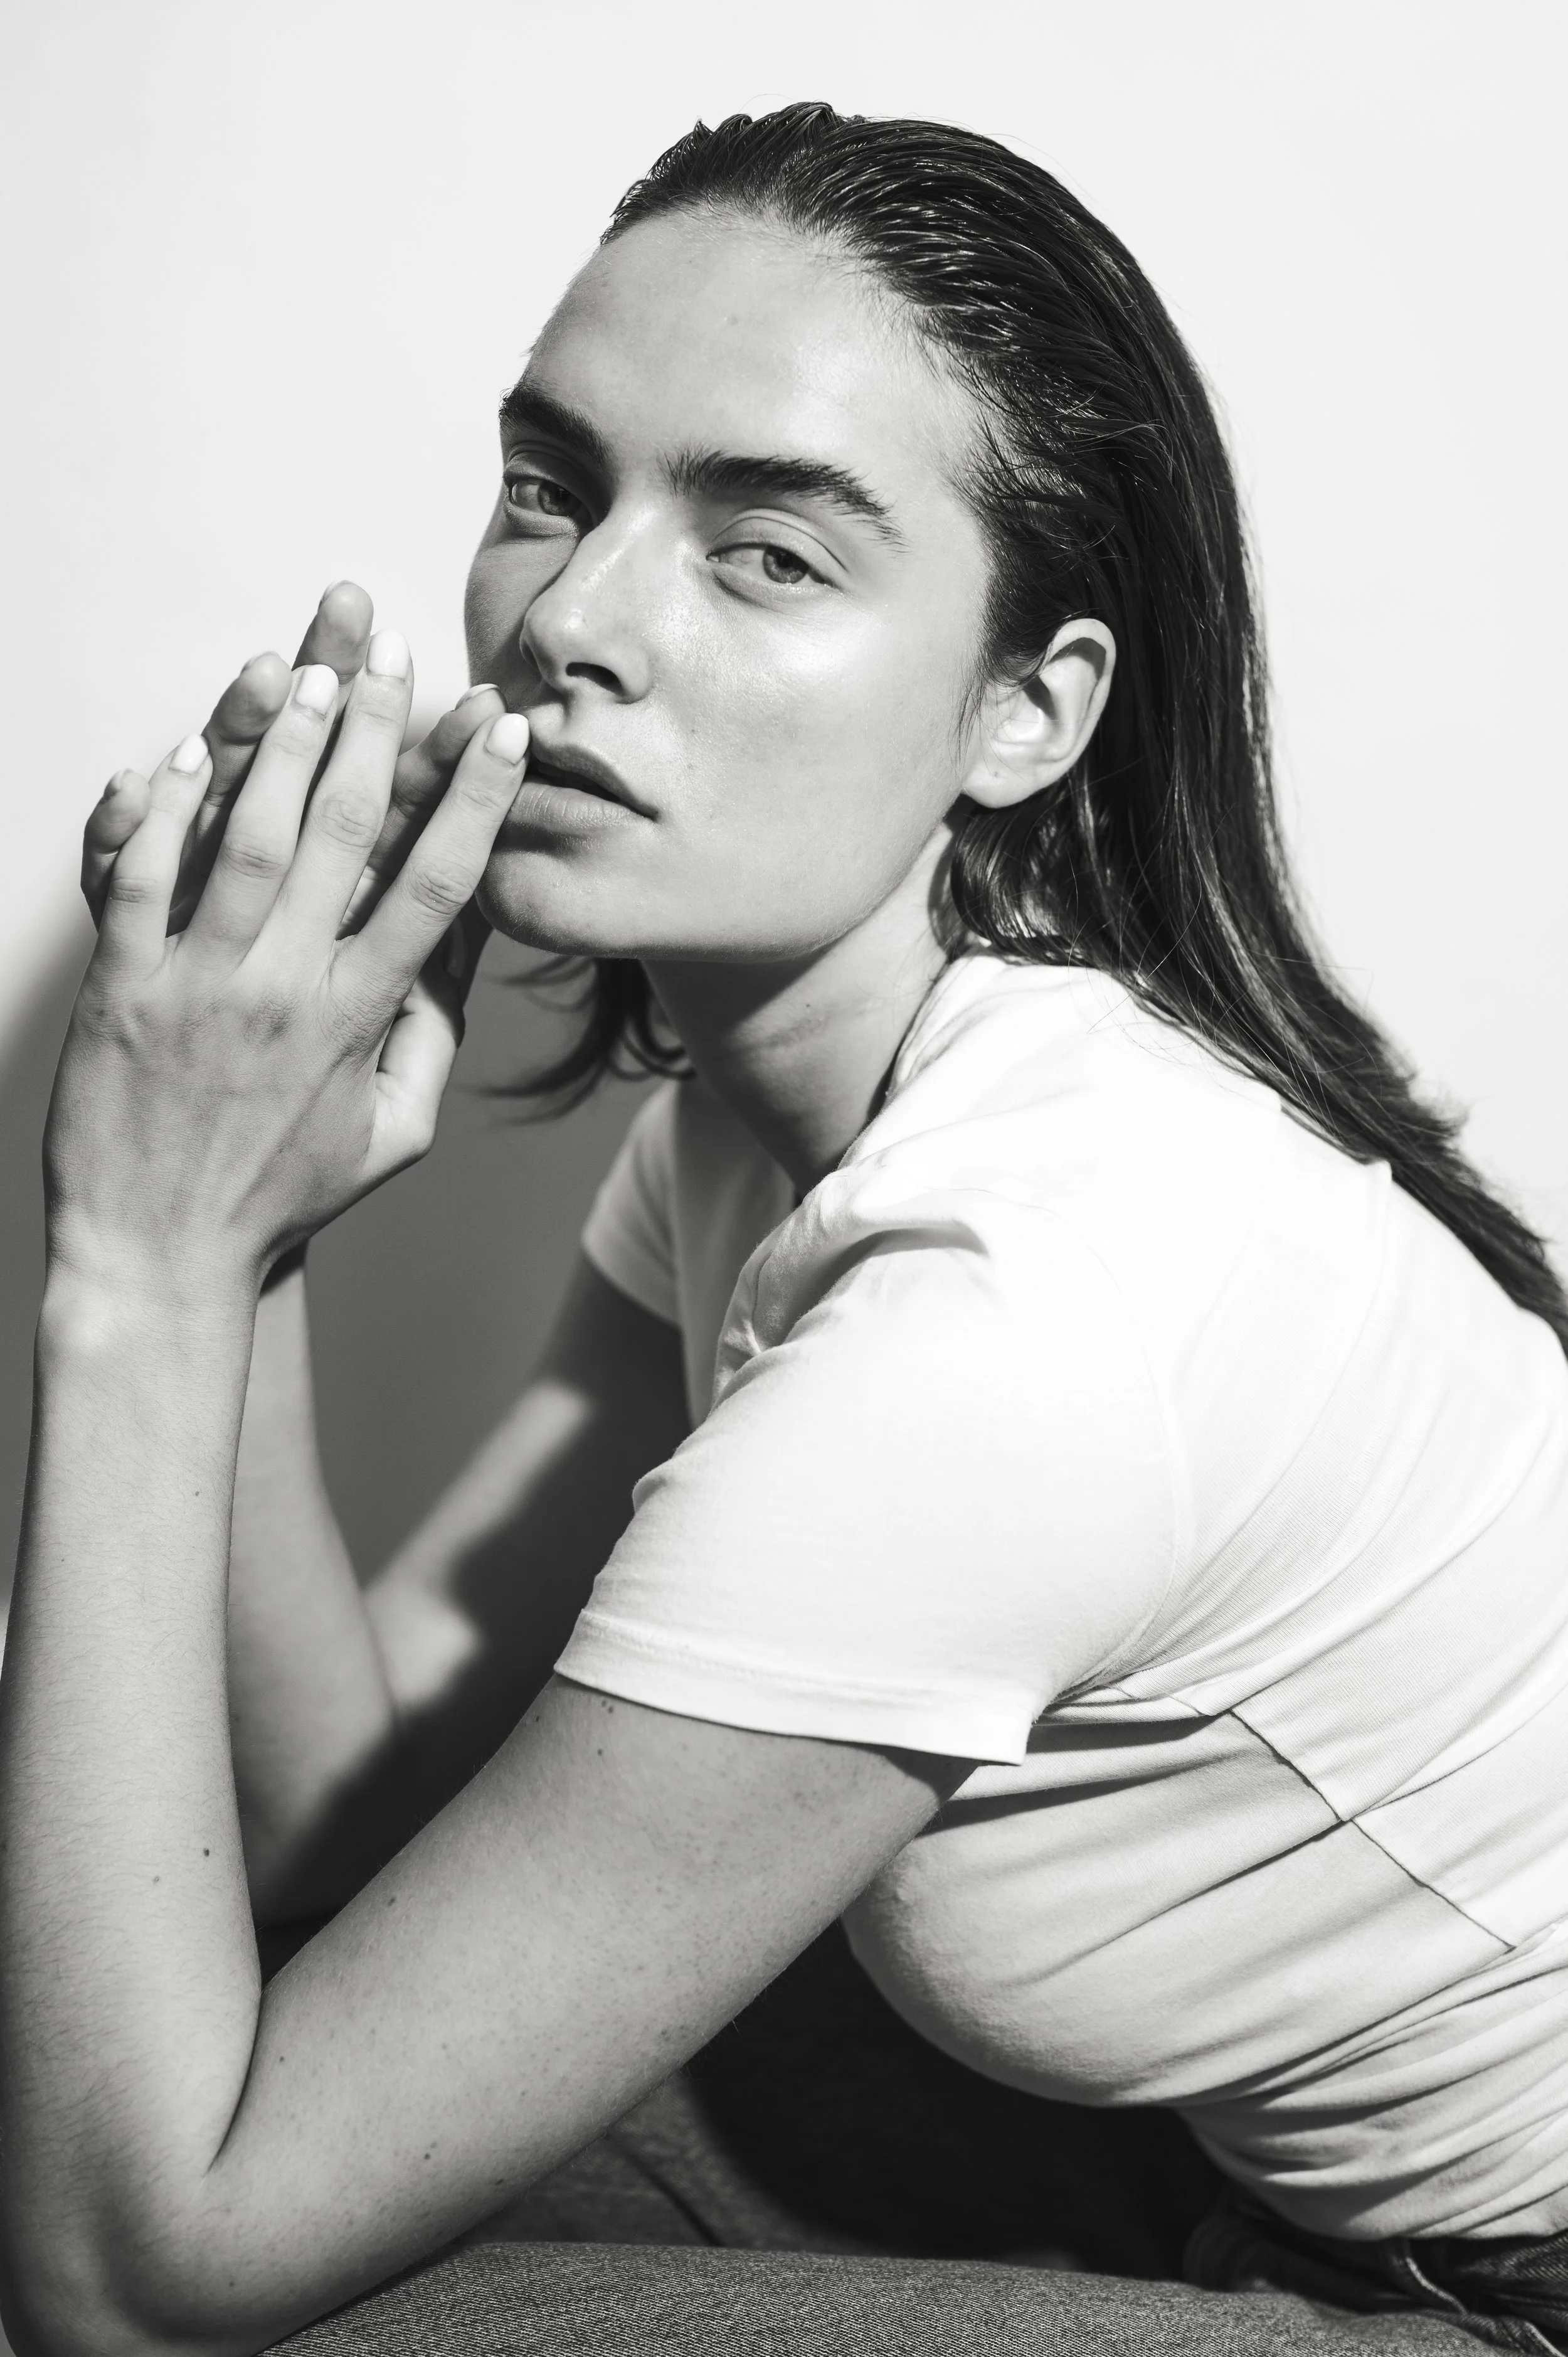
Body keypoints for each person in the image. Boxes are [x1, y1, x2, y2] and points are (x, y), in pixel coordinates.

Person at [4, 99, 1567, 2357]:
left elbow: (132, 2286)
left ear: (1028, 712)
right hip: (1199, 2173)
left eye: (768, 553)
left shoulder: (1007, 1320)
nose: (566, 622)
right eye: (553, 484)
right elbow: (339, 1819)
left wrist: (128, 1266)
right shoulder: (762, 1143)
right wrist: (247, 1236)